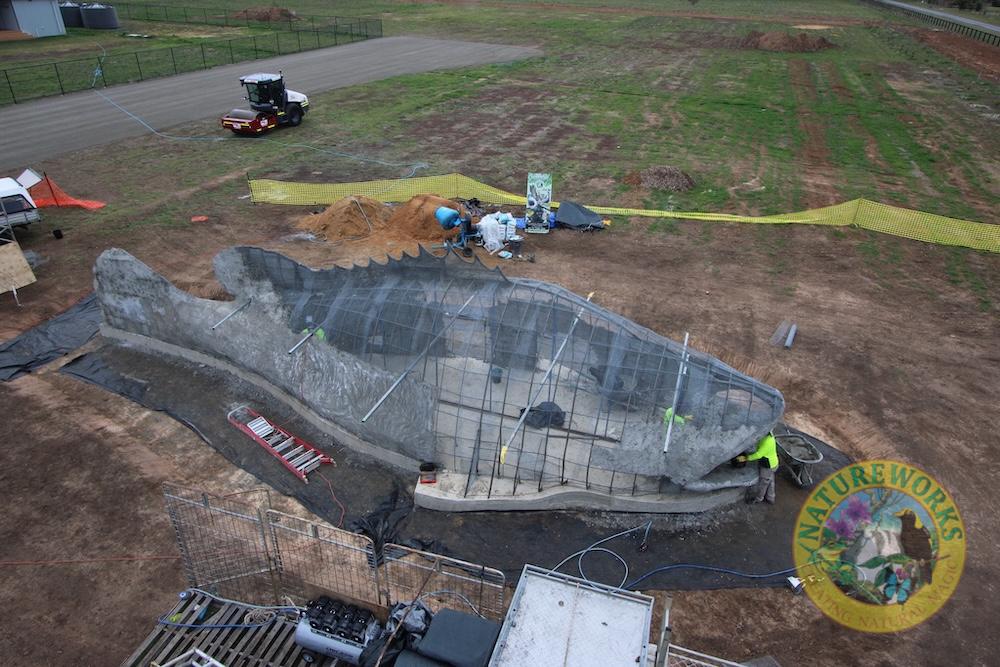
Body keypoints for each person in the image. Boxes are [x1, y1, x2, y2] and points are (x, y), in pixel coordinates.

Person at [738, 431, 778, 504]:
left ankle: (758, 498)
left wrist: (747, 458)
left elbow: (758, 455)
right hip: (773, 463)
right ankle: (770, 497)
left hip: (768, 466)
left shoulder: (767, 442)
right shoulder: (768, 437)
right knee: (770, 480)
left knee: (763, 483)